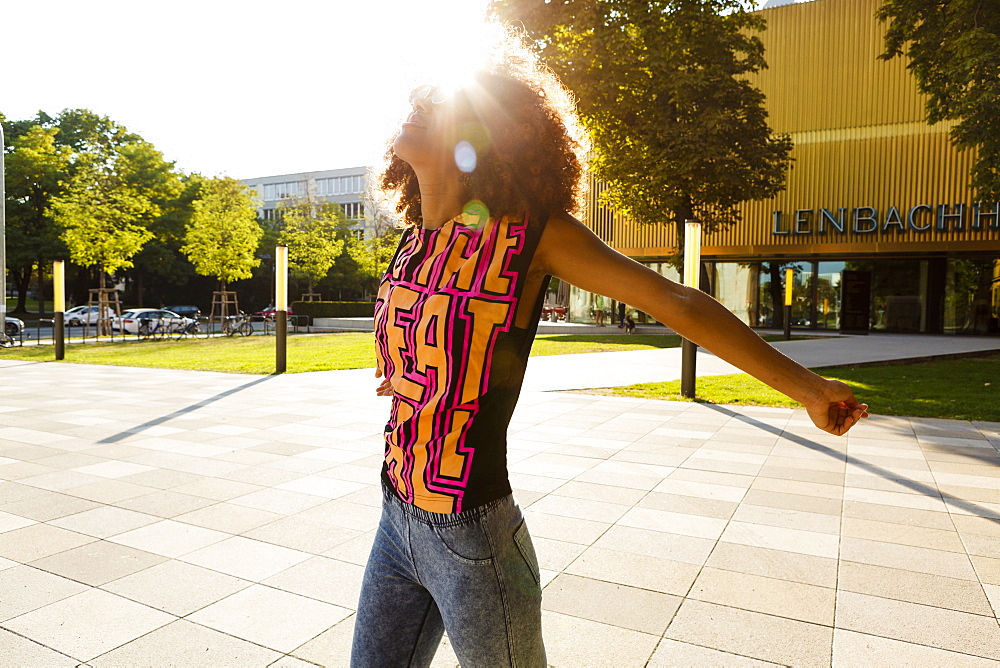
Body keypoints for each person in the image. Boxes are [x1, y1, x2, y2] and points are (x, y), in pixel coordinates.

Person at [352, 31, 868, 668]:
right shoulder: (414, 241)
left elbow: (678, 304)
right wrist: (406, 375)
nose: (418, 101)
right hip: (393, 517)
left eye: (437, 97)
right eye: (418, 94)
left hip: (471, 536)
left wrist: (810, 390)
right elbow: (435, 347)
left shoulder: (533, 236)